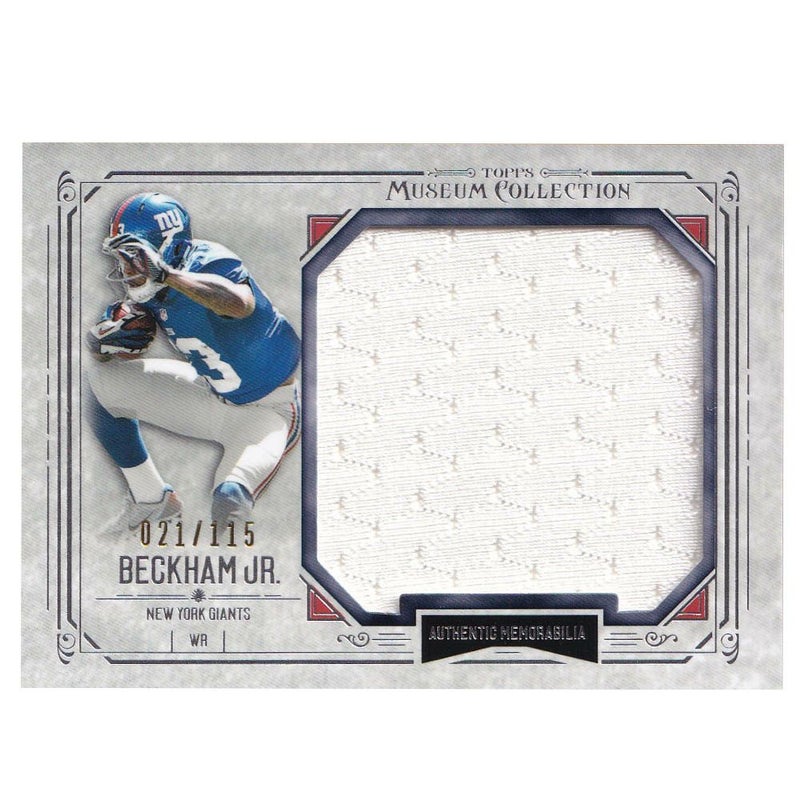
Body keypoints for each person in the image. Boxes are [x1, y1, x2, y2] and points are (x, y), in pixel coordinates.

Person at [87, 192, 301, 529]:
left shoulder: (209, 264)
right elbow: (132, 336)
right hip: (209, 394)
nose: (126, 269)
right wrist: (107, 342)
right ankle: (151, 499)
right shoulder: (150, 286)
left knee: (229, 502)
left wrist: (168, 276)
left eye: (133, 256)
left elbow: (239, 304)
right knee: (96, 385)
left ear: (166, 249)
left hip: (269, 411)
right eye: (121, 257)